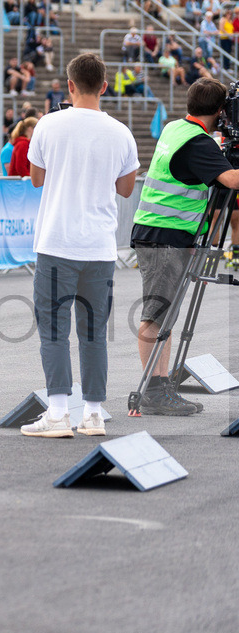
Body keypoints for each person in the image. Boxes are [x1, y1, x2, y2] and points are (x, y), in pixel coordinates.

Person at [21, 53, 139, 438]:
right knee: (94, 334)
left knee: (53, 330)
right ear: (104, 86)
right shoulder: (121, 132)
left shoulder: (48, 124)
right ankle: (93, 413)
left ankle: (57, 413)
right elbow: (125, 189)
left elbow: (37, 179)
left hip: (57, 242)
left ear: (69, 85)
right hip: (99, 246)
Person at [130, 77, 239, 415]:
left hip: (162, 233)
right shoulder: (197, 143)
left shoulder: (177, 128)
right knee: (156, 315)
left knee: (164, 315)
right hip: (164, 236)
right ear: (221, 112)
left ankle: (161, 386)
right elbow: (232, 181)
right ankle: (153, 390)